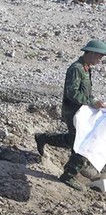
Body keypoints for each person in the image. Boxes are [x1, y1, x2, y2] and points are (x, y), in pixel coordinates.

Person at [35, 40, 106, 191]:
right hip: (73, 112)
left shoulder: (86, 68)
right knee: (83, 144)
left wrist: (95, 101)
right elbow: (72, 93)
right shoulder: (76, 69)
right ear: (91, 53)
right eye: (99, 57)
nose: (100, 60)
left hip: (83, 111)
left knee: (74, 140)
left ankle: (43, 138)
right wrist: (90, 102)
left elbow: (85, 92)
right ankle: (68, 175)